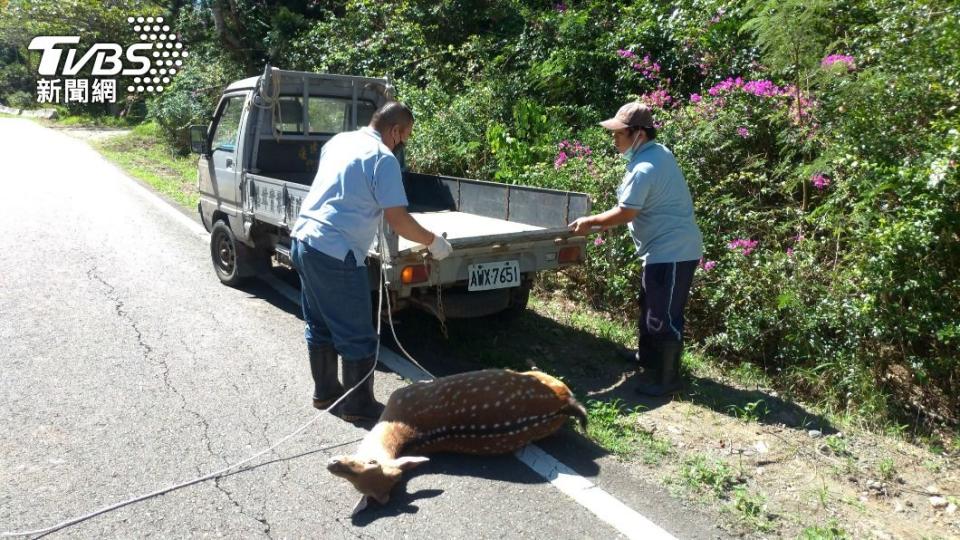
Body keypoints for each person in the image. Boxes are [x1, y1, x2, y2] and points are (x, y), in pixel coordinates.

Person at [290, 101, 452, 421]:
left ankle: (325, 393)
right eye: (405, 136)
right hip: (336, 252)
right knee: (358, 336)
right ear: (395, 131)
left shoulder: (339, 141)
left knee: (320, 324)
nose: (403, 143)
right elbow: (398, 220)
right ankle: (357, 406)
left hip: (303, 240)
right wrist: (434, 242)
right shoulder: (383, 158)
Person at [568, 102, 703, 396]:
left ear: (638, 134)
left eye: (619, 134)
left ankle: (668, 380)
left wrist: (589, 222)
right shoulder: (658, 153)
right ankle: (648, 358)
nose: (614, 139)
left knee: (663, 314)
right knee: (649, 305)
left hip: (673, 252)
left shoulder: (645, 167)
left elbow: (626, 212)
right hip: (662, 250)